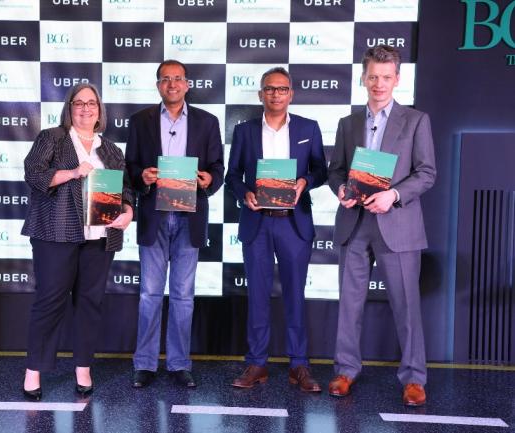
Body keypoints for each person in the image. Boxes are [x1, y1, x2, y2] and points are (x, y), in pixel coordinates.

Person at [327, 45, 436, 406]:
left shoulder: (416, 120)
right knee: (349, 304)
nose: (379, 83)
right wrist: (340, 188)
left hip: (397, 225)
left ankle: (414, 378)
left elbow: (427, 173)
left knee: (407, 306)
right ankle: (345, 370)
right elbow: (336, 171)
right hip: (354, 223)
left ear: (397, 79)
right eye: (373, 76)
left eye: (386, 77)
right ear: (363, 77)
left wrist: (394, 195)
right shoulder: (347, 123)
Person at [20, 83, 134, 401]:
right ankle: (34, 370)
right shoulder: (52, 138)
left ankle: (83, 368)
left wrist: (127, 211)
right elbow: (33, 175)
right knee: (50, 301)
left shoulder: (110, 149)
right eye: (79, 102)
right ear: (69, 108)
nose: (86, 108)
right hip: (55, 234)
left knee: (89, 303)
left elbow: (125, 189)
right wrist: (72, 173)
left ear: (100, 110)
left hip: (99, 236)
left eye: (91, 103)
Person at [225, 66, 327, 391]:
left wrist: (304, 182)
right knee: (257, 295)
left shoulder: (309, 128)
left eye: (282, 89)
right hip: (258, 221)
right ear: (261, 94)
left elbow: (321, 170)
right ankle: (257, 363)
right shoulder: (245, 131)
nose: (276, 94)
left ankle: (299, 365)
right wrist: (245, 194)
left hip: (294, 223)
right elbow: (231, 176)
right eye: (270, 88)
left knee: (295, 295)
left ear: (291, 94)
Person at [125, 59, 224, 388]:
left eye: (178, 78)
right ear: (158, 85)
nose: (172, 84)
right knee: (149, 294)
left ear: (187, 84)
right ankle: (145, 364)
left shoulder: (208, 122)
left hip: (189, 216)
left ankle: (180, 364)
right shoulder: (140, 121)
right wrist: (141, 176)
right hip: (153, 215)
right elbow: (130, 166)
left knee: (183, 295)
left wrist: (210, 179)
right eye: (165, 79)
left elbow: (218, 168)